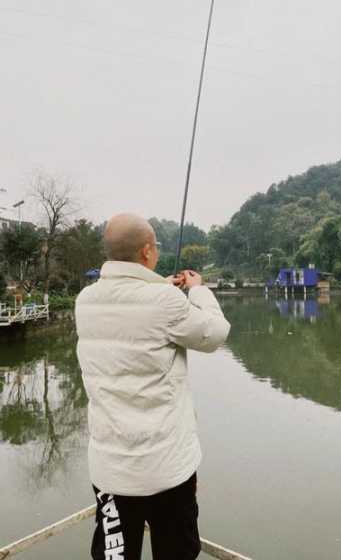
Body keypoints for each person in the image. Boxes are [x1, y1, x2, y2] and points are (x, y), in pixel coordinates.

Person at [75, 213, 230, 560]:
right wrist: (198, 290)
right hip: (168, 471)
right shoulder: (166, 302)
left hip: (110, 471)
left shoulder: (85, 300)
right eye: (156, 247)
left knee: (113, 555)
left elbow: (130, 302)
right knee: (176, 552)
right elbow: (215, 334)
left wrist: (160, 286)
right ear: (147, 251)